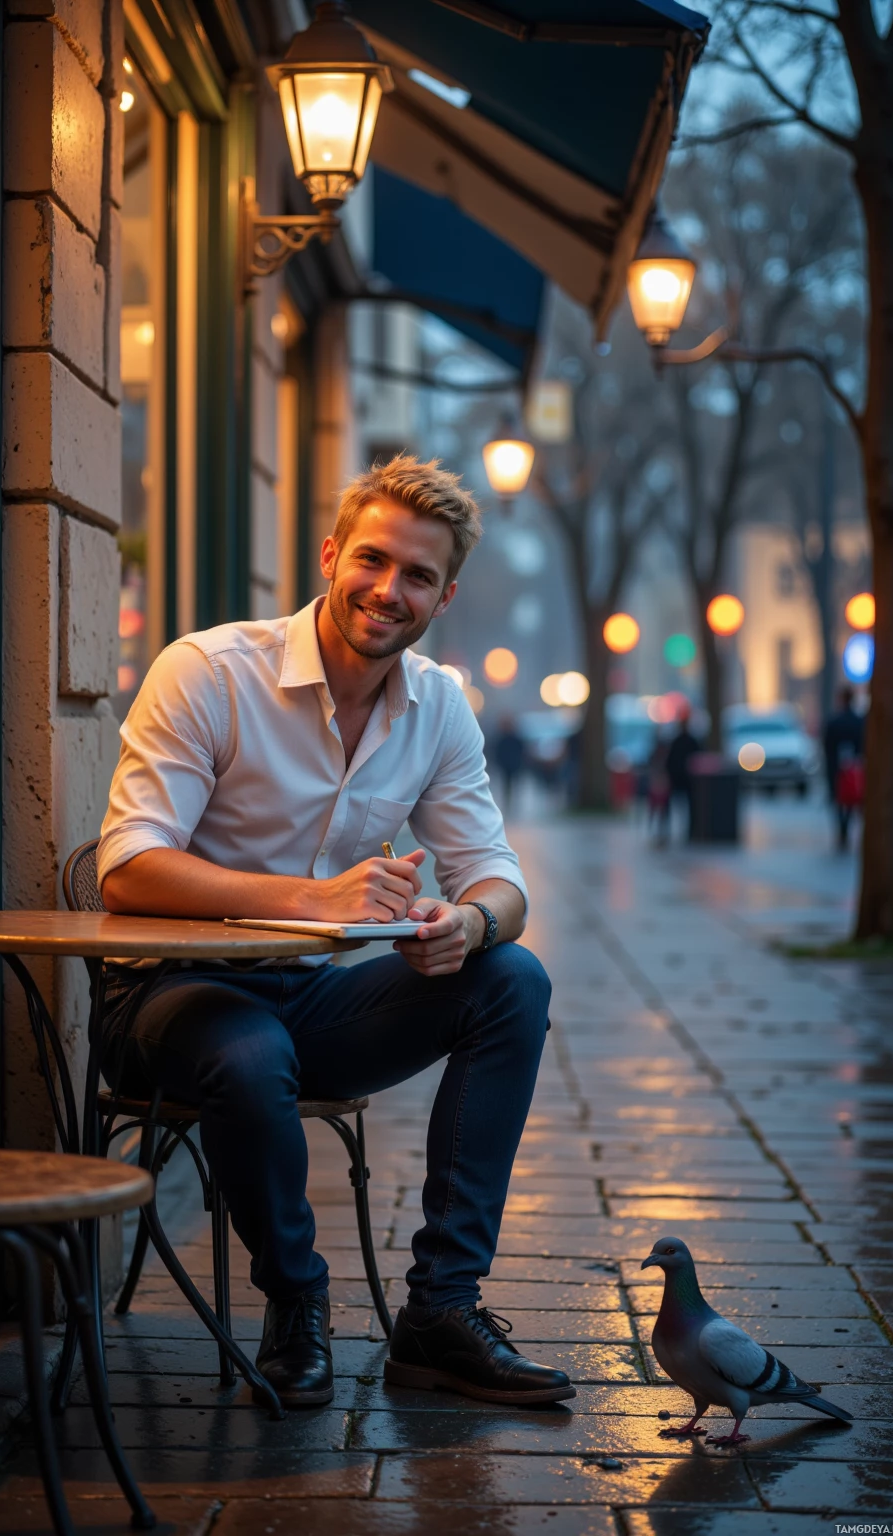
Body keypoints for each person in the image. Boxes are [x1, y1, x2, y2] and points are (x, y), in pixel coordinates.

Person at [98, 455, 572, 1411]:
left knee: (512, 979)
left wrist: (468, 923)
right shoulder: (209, 671)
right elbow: (127, 867)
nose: (388, 591)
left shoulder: (437, 706)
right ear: (330, 555)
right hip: (165, 992)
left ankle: (441, 1311)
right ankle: (296, 1302)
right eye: (373, 560)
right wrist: (317, 900)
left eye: (419, 576)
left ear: (446, 596)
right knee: (246, 1050)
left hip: (311, 1000)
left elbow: (500, 879)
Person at [823, 685, 864, 849]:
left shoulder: (834, 722)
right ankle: (845, 831)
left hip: (837, 770)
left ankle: (842, 832)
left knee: (840, 802)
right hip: (855, 768)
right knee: (853, 801)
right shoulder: (859, 721)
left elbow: (827, 747)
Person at [663, 707, 700, 840]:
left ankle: (690, 832)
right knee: (671, 805)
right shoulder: (678, 741)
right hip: (679, 779)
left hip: (687, 779)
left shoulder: (689, 741)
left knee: (690, 806)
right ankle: (668, 832)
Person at [492, 715, 526, 812]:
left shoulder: (515, 738)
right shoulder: (501, 738)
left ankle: (513, 803)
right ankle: (508, 803)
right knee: (506, 785)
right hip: (505, 765)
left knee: (514, 785)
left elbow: (521, 750)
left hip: (515, 765)